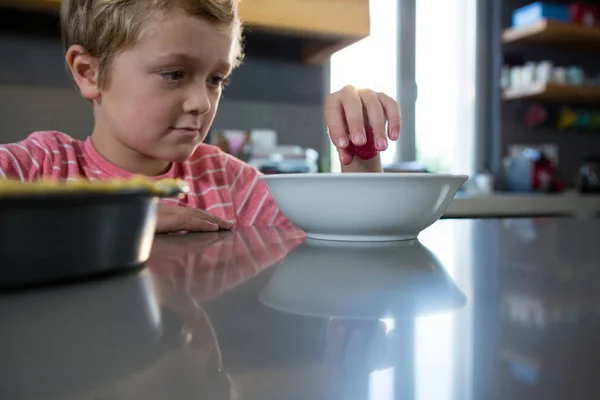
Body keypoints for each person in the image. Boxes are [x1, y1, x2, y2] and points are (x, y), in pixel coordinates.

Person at [0, 0, 401, 234]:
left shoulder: (231, 184)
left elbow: (343, 241)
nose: (202, 103)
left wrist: (361, 151)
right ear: (89, 73)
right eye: (174, 74)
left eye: (216, 79)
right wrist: (116, 227)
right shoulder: (39, 167)